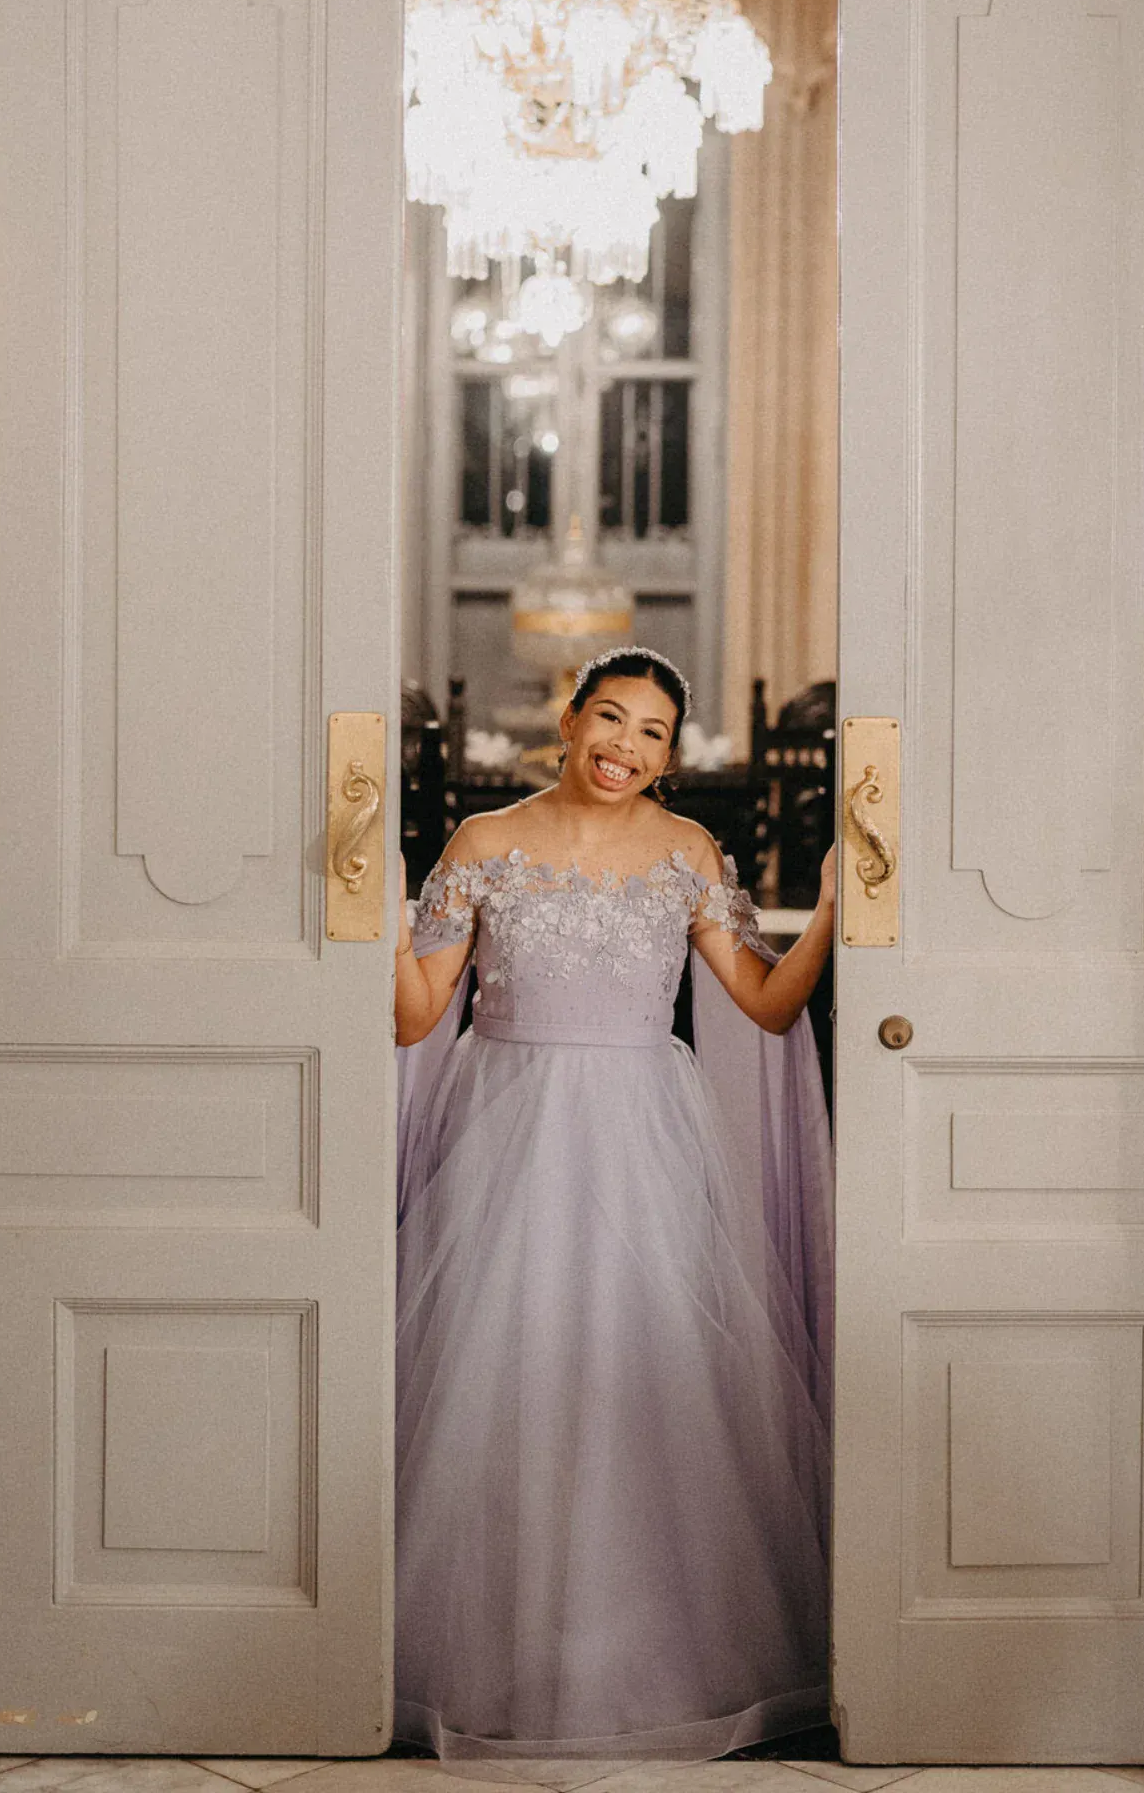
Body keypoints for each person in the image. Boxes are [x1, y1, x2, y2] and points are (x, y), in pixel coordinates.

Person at [392, 646, 837, 1766]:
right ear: (568, 716)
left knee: (642, 1375)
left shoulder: (689, 854)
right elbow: (412, 1020)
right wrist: (365, 908)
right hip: (507, 1128)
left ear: (671, 757)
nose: (624, 747)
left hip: (643, 1129)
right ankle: (485, 1657)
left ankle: (641, 1657)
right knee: (500, 1373)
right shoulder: (485, 843)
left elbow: (766, 1005)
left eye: (651, 733)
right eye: (610, 718)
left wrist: (834, 912)